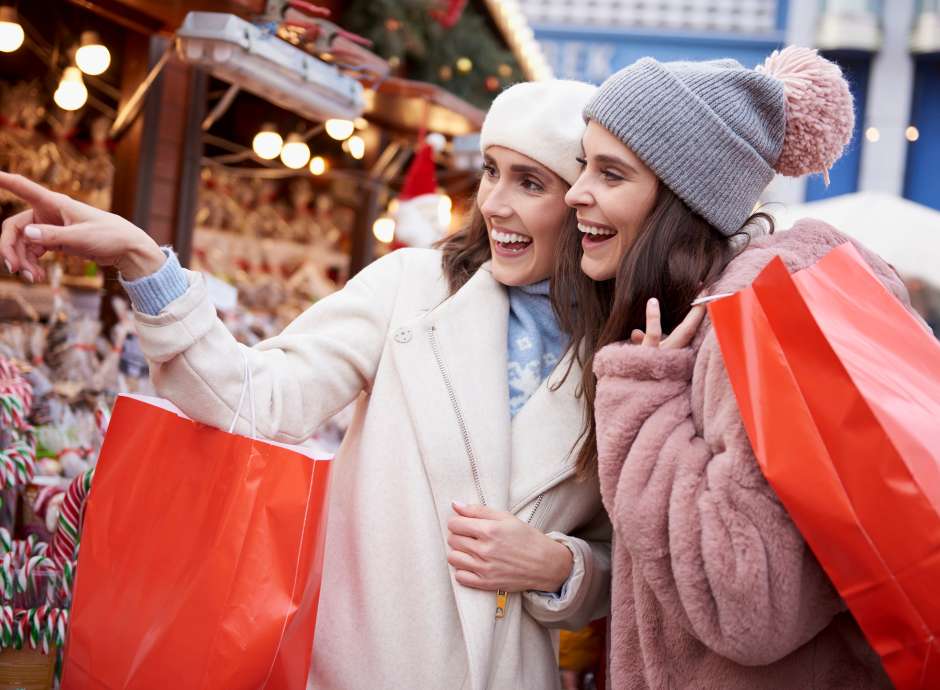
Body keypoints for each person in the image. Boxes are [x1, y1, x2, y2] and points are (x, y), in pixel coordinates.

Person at [0, 79, 610, 690]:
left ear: (582, 201)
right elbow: (257, 399)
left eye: (530, 183)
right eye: (490, 172)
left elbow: (628, 563)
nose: (495, 204)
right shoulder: (412, 288)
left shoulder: (621, 351)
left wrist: (559, 566)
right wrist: (142, 261)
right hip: (357, 670)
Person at [553, 47, 913, 688]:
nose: (576, 192)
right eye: (585, 165)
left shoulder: (744, 328)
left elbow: (748, 602)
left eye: (611, 174)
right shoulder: (705, 317)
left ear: (682, 200)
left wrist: (642, 404)